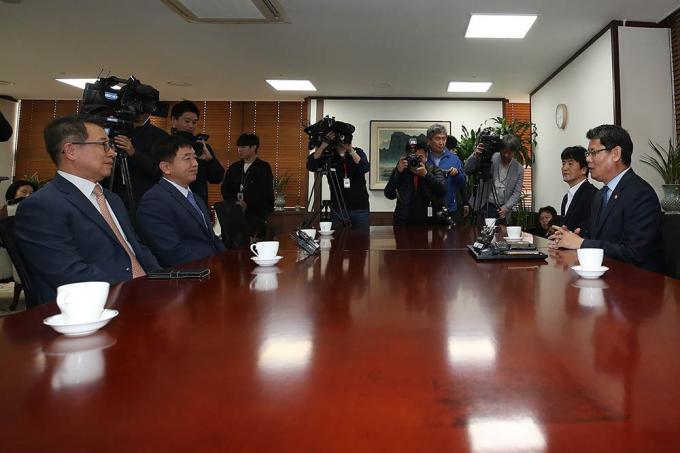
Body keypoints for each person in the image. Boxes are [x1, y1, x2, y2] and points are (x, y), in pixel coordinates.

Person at [14, 115, 159, 305]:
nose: (112, 153)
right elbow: (70, 274)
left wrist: (164, 283)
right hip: (99, 307)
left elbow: (138, 250)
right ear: (71, 151)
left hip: (146, 296)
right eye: (104, 145)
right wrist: (135, 293)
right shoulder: (41, 206)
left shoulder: (112, 199)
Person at [549, 125, 663, 273]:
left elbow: (635, 253)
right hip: (605, 276)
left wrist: (582, 243)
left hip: (636, 281)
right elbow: (595, 237)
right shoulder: (600, 195)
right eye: (588, 153)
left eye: (593, 152)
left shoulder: (641, 194)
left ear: (616, 154)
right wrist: (571, 238)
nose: (588, 159)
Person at [137, 136, 225, 268]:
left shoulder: (196, 197)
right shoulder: (154, 200)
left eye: (195, 158)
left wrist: (226, 261)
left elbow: (212, 239)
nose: (195, 163)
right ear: (166, 167)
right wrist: (211, 267)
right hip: (190, 274)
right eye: (187, 158)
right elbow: (171, 251)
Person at [306, 130, 370, 230]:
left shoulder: (358, 152)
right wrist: (322, 146)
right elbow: (311, 165)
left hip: (360, 208)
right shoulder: (329, 155)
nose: (342, 141)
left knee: (362, 238)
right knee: (339, 239)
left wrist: (351, 150)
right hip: (338, 208)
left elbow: (365, 168)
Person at [105, 113, 169, 210]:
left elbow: (160, 171)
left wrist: (133, 152)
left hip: (141, 199)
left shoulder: (159, 136)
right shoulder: (113, 130)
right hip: (111, 194)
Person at [170, 101, 225, 205]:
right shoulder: (166, 144)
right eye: (187, 121)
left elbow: (217, 178)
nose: (191, 126)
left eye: (194, 122)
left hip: (197, 203)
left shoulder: (201, 147)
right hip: (172, 202)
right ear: (174, 120)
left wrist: (210, 161)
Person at [221, 133, 274, 240]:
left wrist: (247, 203)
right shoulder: (234, 167)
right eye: (238, 147)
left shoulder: (263, 167)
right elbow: (225, 189)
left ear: (253, 147)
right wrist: (236, 202)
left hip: (256, 217)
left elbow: (265, 192)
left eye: (243, 147)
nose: (239, 150)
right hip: (236, 215)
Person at [384, 139, 447, 226]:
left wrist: (426, 175)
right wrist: (397, 172)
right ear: (407, 156)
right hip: (403, 222)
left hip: (428, 223)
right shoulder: (401, 171)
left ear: (426, 155)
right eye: (413, 157)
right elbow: (389, 194)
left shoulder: (434, 170)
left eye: (420, 158)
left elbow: (443, 191)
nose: (415, 161)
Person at [464, 135, 524, 224]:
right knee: (478, 231)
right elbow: (467, 169)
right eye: (504, 152)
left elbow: (517, 193)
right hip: (482, 205)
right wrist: (475, 155)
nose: (506, 155)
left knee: (500, 232)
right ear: (500, 149)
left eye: (510, 153)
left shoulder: (519, 168)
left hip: (502, 209)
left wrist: (506, 207)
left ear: (514, 152)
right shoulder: (490, 157)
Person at [426, 124, 465, 218]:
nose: (441, 142)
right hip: (428, 207)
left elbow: (462, 183)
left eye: (444, 139)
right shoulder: (424, 158)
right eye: (437, 138)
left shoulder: (454, 159)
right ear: (429, 141)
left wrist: (457, 174)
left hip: (449, 207)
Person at [559, 145, 598, 234]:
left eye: (570, 164)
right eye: (563, 163)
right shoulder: (566, 197)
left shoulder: (593, 195)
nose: (564, 168)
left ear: (584, 169)